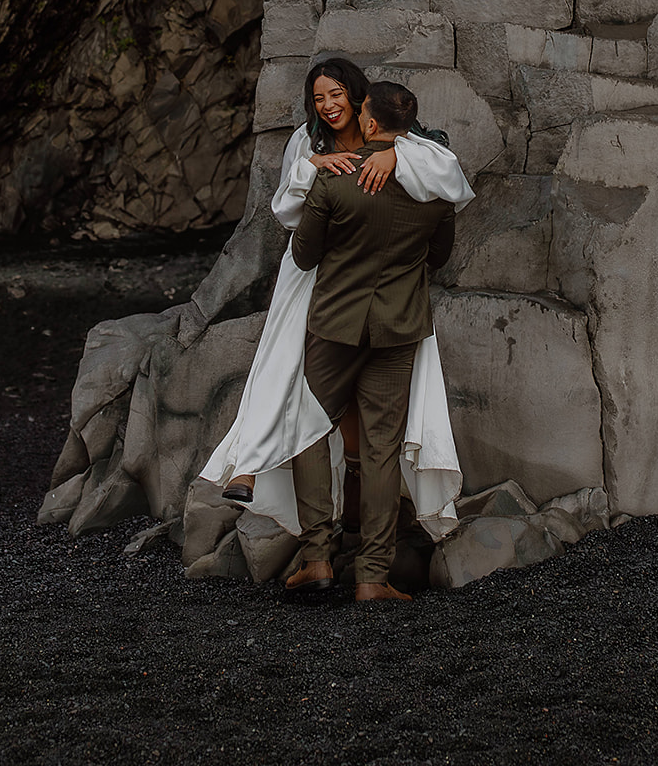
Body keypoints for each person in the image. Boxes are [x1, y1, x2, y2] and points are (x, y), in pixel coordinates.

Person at [200, 57, 472, 540]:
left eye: (336, 95)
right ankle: (248, 462)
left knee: (350, 395)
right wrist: (312, 169)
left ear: (358, 98)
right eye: (319, 97)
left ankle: (352, 501)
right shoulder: (305, 143)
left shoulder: (401, 139)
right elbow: (286, 210)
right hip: (314, 270)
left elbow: (447, 173)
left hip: (377, 280)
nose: (327, 105)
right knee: (284, 365)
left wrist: (394, 156)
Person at [285, 81, 455, 604]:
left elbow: (304, 256)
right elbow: (440, 257)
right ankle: (372, 578)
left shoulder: (335, 183)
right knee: (382, 450)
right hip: (398, 328)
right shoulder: (436, 188)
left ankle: (316, 556)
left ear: (373, 124)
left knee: (309, 429)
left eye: (359, 109)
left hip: (334, 326)